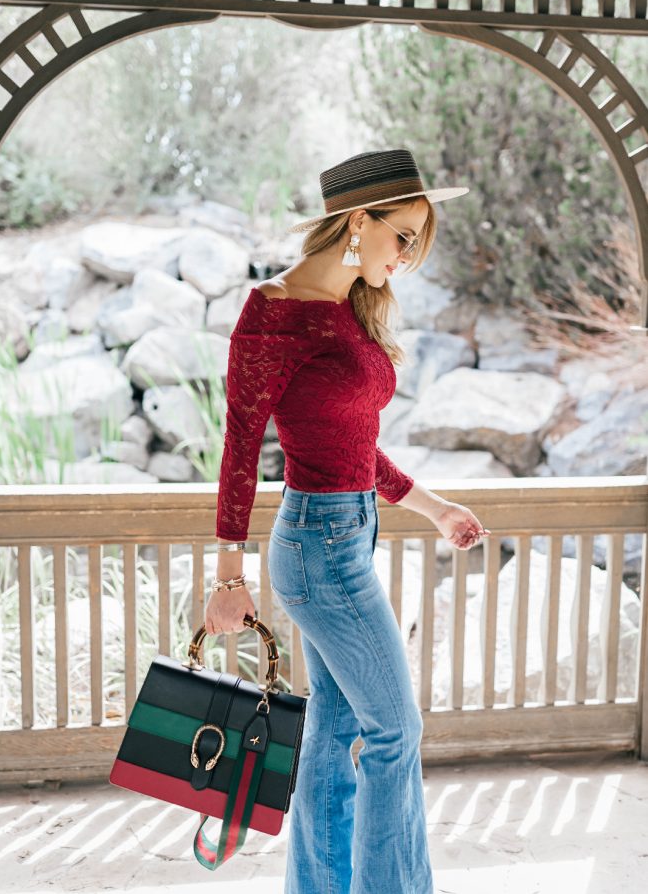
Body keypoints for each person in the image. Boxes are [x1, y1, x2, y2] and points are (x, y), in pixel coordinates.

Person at [205, 148, 490, 894]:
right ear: (357, 221)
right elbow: (239, 445)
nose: (409, 257)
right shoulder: (272, 314)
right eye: (404, 237)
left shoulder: (348, 312)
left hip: (347, 535)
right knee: (396, 730)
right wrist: (228, 575)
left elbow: (355, 449)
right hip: (316, 548)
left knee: (335, 738)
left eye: (418, 242)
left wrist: (433, 509)